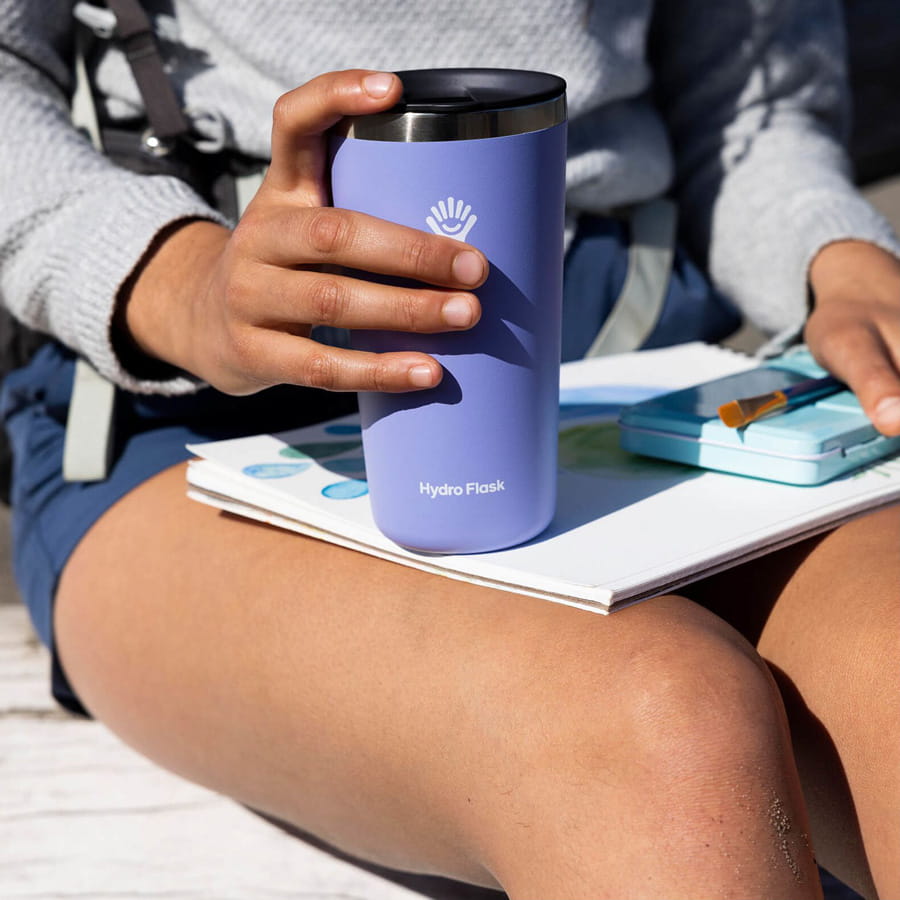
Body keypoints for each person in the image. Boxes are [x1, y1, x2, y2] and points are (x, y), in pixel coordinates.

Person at [2, 1, 899, 897]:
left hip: (627, 372)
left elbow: (747, 106)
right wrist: (184, 284)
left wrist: (840, 258)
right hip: (197, 398)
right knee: (662, 727)